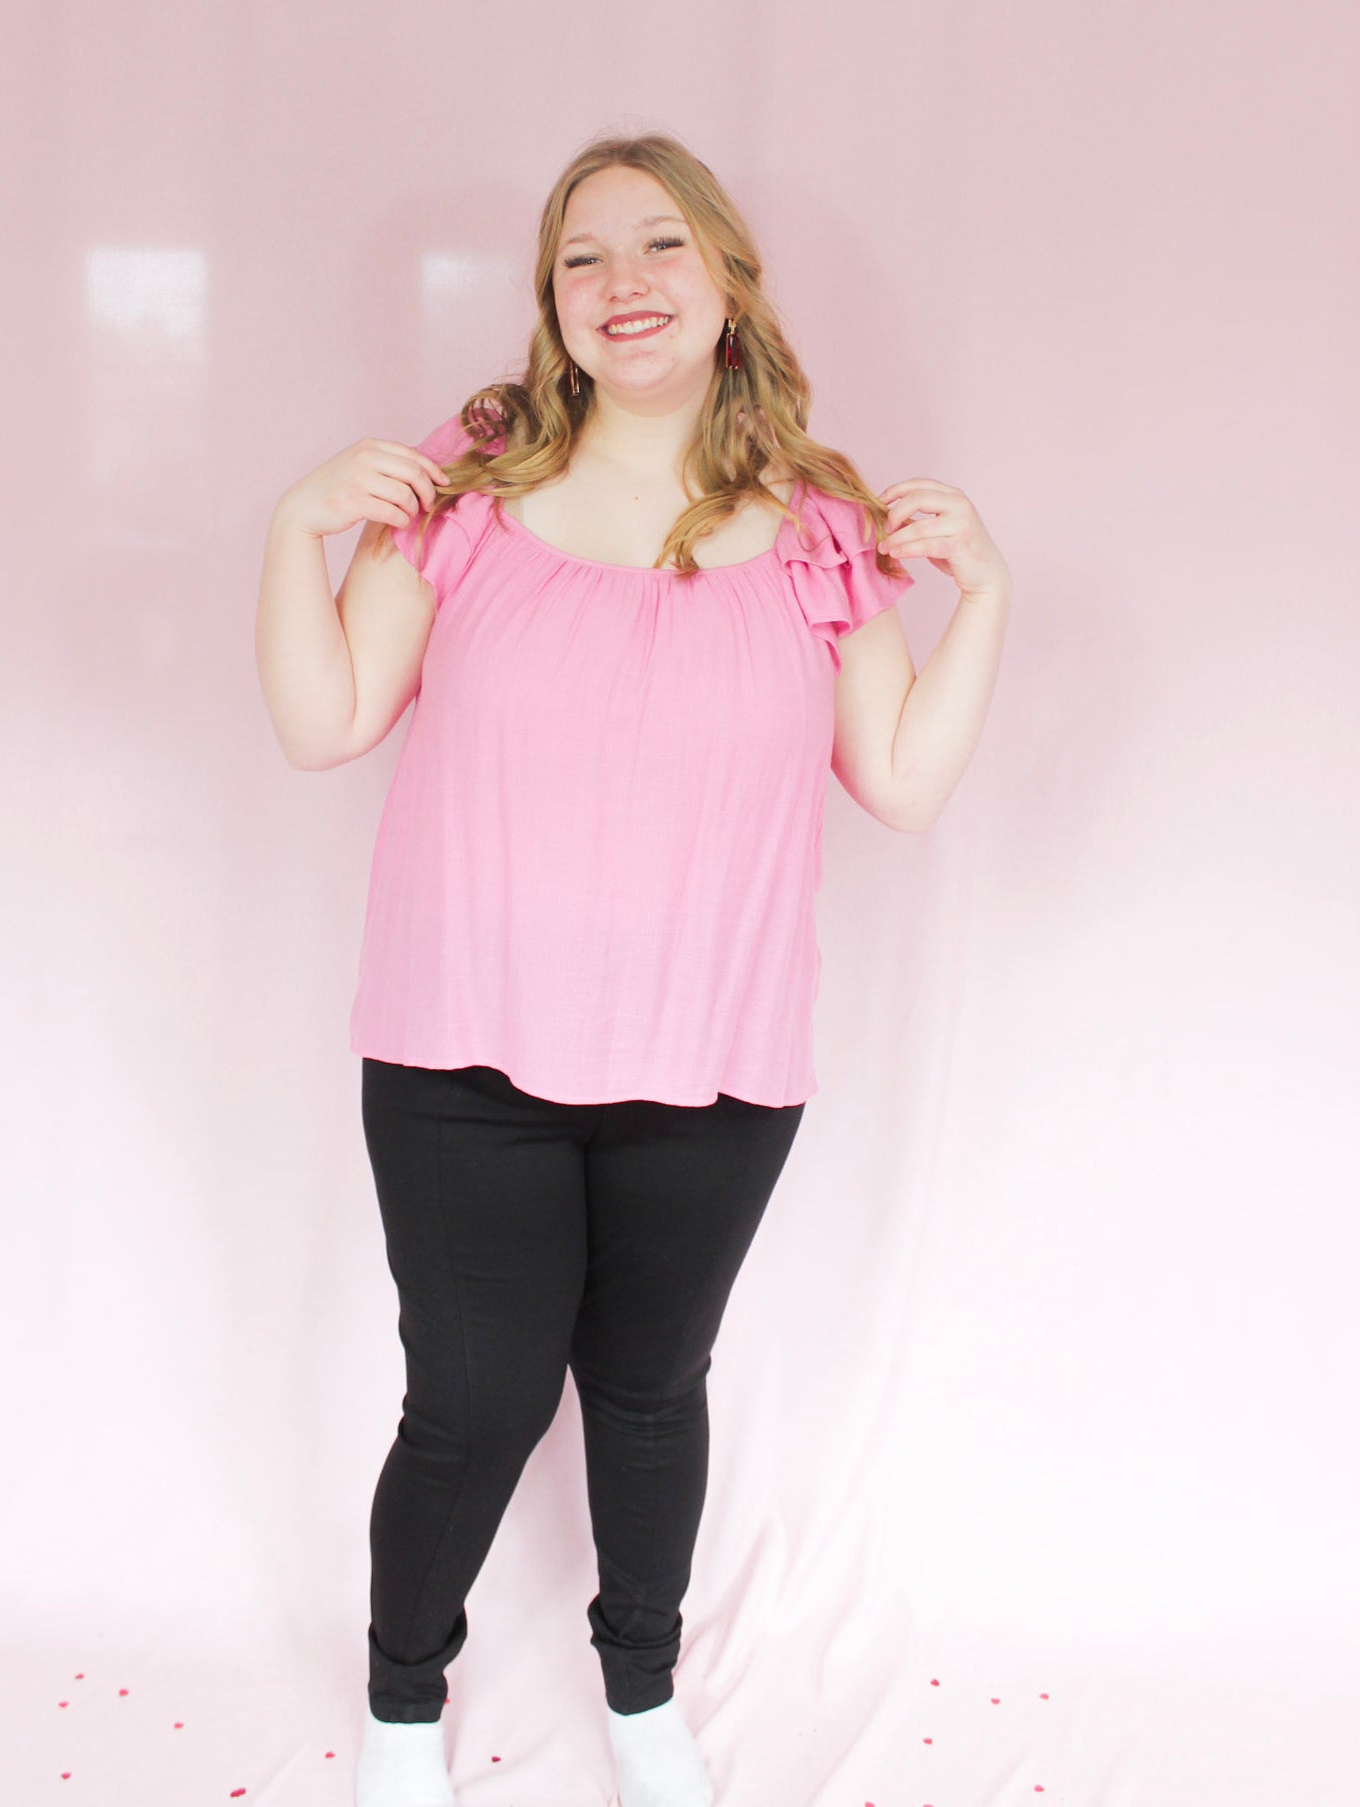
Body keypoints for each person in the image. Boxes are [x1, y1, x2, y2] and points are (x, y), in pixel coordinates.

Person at [256, 132, 1011, 1807]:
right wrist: (295, 528)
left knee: (650, 1391)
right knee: (471, 1404)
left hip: (716, 1064)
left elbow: (892, 776)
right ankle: (401, 1708)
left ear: (726, 278)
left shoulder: (816, 523)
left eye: (659, 246)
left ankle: (640, 1695)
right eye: (583, 258)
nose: (623, 284)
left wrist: (988, 601)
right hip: (462, 1061)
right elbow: (324, 725)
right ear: (552, 304)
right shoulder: (466, 484)